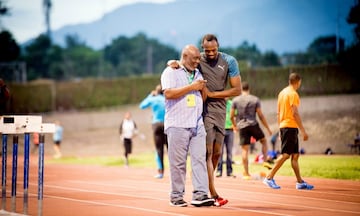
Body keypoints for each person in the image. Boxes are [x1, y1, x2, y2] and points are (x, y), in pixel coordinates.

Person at [167, 34, 241, 206]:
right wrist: (171, 62)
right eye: (207, 51)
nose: (210, 53)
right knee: (205, 153)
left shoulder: (229, 61)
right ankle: (209, 192)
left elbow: (236, 90)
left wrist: (214, 95)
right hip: (204, 111)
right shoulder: (198, 58)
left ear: (218, 46)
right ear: (202, 49)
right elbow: (183, 61)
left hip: (221, 110)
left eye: (213, 50)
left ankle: (206, 186)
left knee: (216, 153)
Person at [161, 44, 214, 207]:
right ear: (184, 57)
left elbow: (201, 95)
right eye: (194, 58)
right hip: (177, 124)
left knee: (199, 159)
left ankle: (200, 194)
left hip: (197, 123)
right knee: (178, 163)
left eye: (199, 58)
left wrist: (202, 89)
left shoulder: (198, 72)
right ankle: (176, 196)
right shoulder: (171, 72)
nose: (198, 61)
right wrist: (192, 87)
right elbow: (168, 93)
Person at [263, 72, 314, 190]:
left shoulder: (282, 93)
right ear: (298, 82)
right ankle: (269, 177)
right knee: (286, 155)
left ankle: (300, 182)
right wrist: (303, 130)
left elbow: (278, 113)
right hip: (290, 127)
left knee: (295, 155)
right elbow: (295, 112)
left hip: (285, 127)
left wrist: (280, 128)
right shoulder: (293, 94)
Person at [230, 81, 272, 180]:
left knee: (245, 150)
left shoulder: (235, 100)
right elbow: (260, 115)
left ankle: (246, 173)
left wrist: (234, 125)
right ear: (249, 89)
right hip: (253, 124)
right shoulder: (255, 99)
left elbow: (231, 116)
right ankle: (265, 160)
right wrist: (268, 128)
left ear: (241, 89)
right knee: (264, 141)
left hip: (242, 126)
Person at [139, 84, 168, 179]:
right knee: (170, 149)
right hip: (167, 124)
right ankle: (174, 172)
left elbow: (142, 106)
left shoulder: (153, 99)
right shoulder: (166, 98)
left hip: (156, 125)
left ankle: (160, 172)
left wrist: (150, 96)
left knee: (159, 149)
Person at [216, 97, 236, 178]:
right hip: (220, 129)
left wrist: (234, 125)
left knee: (229, 152)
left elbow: (235, 115)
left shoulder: (232, 104)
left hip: (230, 130)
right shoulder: (218, 104)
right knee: (219, 152)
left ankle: (229, 171)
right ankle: (219, 171)